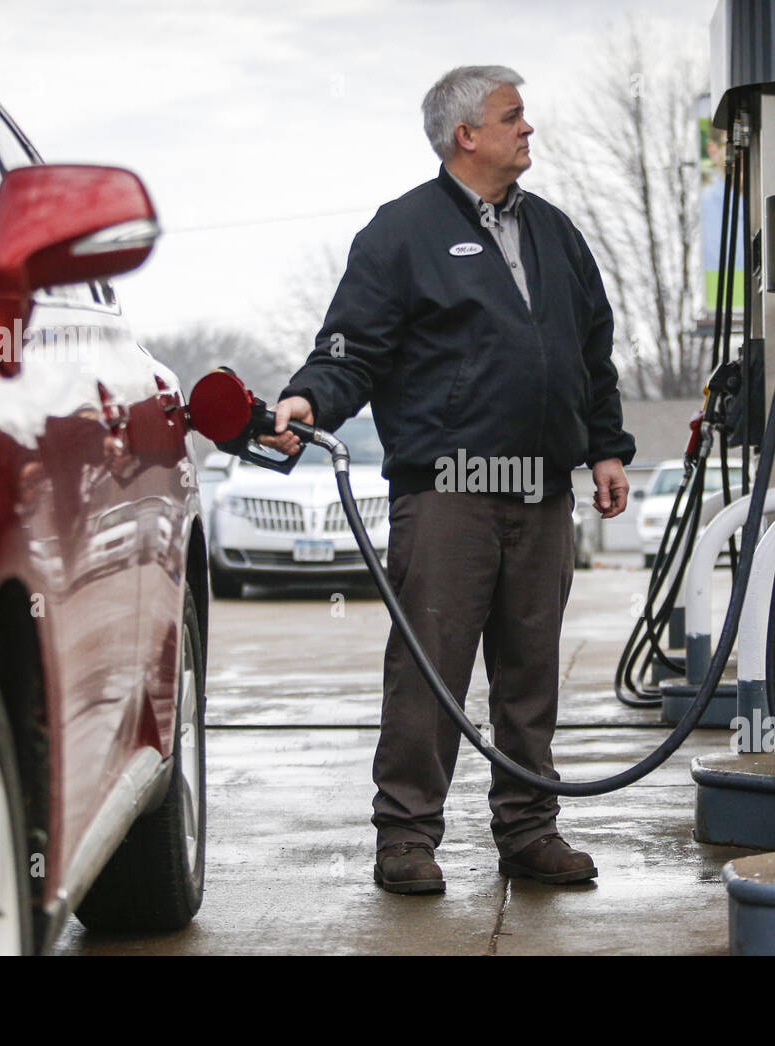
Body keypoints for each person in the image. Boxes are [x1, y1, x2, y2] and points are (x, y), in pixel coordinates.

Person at [263, 65, 635, 894]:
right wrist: (304, 397)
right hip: (449, 489)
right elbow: (351, 348)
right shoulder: (401, 233)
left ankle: (529, 829)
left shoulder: (557, 233)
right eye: (513, 117)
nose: (527, 129)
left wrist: (605, 447)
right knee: (431, 666)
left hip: (542, 491)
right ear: (466, 135)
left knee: (531, 669)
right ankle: (405, 836)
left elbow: (591, 350)